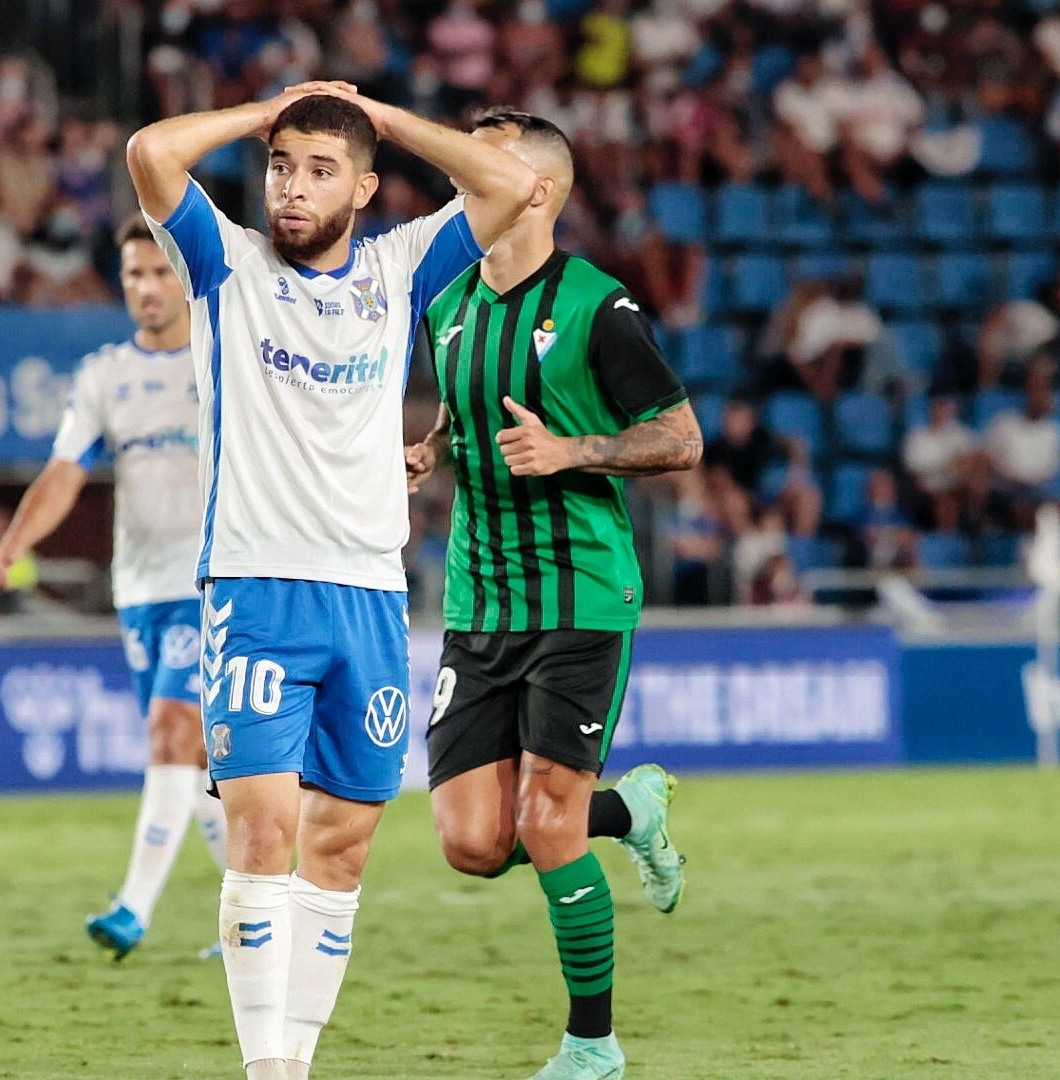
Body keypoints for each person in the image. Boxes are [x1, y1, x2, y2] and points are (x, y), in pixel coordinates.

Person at [126, 83, 535, 1080]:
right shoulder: (226, 263)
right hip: (256, 591)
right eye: (281, 166)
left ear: (363, 186)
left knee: (342, 850)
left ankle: (295, 1065)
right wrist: (273, 107)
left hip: (369, 599)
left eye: (319, 170)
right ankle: (266, 1071)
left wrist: (379, 118)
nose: (293, 188)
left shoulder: (401, 268)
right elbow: (150, 153)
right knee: (263, 830)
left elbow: (513, 182)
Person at [404, 107, 700, 1080]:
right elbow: (462, 410)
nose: (458, 176)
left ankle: (593, 1045)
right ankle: (633, 814)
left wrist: (574, 450)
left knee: (542, 821)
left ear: (534, 190)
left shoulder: (596, 305)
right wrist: (428, 449)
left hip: (579, 597)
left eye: (479, 162)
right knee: (472, 844)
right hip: (478, 606)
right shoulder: (445, 305)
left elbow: (682, 437)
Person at [0, 215, 227, 959]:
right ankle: (257, 905)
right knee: (194, 760)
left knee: (171, 734)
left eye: (160, 273)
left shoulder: (223, 358)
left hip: (211, 578)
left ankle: (133, 908)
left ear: (184, 279)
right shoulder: (104, 374)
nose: (146, 289)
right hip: (141, 587)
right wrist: (15, 539)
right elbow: (66, 472)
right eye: (133, 276)